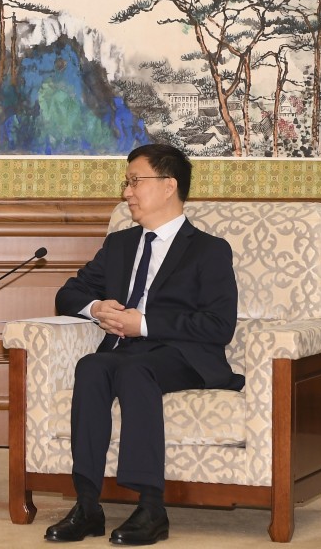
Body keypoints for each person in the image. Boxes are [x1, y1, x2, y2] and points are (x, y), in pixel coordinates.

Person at [45, 143, 240, 546]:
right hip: (125, 352)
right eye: (127, 182)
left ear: (169, 186)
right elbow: (69, 294)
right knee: (91, 366)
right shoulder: (120, 244)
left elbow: (219, 325)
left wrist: (145, 324)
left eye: (135, 182)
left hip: (181, 354)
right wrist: (97, 307)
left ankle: (151, 507)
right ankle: (87, 505)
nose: (127, 192)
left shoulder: (209, 250)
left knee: (135, 370)